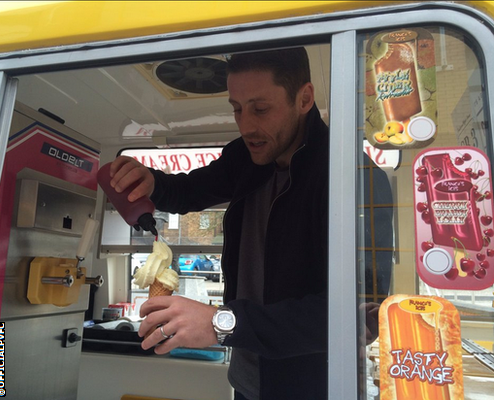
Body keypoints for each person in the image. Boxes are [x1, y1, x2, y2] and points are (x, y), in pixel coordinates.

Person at [109, 48, 392, 400]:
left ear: (304, 99)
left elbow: (363, 313)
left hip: (313, 386)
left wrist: (221, 323)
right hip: (246, 381)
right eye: (236, 109)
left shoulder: (354, 177)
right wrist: (152, 182)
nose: (246, 126)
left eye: (260, 109)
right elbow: (188, 191)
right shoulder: (246, 157)